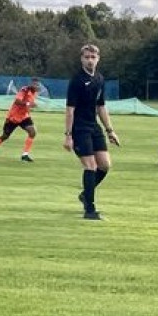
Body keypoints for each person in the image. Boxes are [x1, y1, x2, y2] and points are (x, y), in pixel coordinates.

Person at [64, 44, 120, 220]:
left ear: (98, 58)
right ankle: (90, 209)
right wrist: (68, 135)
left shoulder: (99, 79)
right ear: (81, 59)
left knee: (105, 165)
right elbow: (70, 110)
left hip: (93, 126)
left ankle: (85, 195)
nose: (90, 60)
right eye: (86, 57)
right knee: (90, 166)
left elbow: (101, 106)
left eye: (93, 57)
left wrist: (110, 130)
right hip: (79, 128)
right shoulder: (77, 80)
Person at [0, 77, 41, 162]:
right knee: (5, 136)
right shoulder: (24, 90)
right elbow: (17, 101)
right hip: (13, 117)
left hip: (24, 117)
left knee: (32, 132)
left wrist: (29, 108)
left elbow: (28, 104)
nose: (36, 86)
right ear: (31, 84)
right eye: (35, 84)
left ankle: (25, 155)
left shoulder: (34, 93)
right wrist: (28, 103)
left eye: (37, 84)